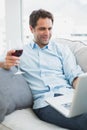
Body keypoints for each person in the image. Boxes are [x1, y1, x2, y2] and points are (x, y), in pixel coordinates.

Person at [2, 9, 87, 130]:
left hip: (69, 97)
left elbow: (73, 76)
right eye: (42, 29)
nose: (47, 33)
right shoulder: (21, 52)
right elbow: (3, 61)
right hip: (45, 103)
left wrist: (82, 91)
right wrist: (3, 64)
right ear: (32, 29)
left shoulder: (62, 50)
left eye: (50, 28)